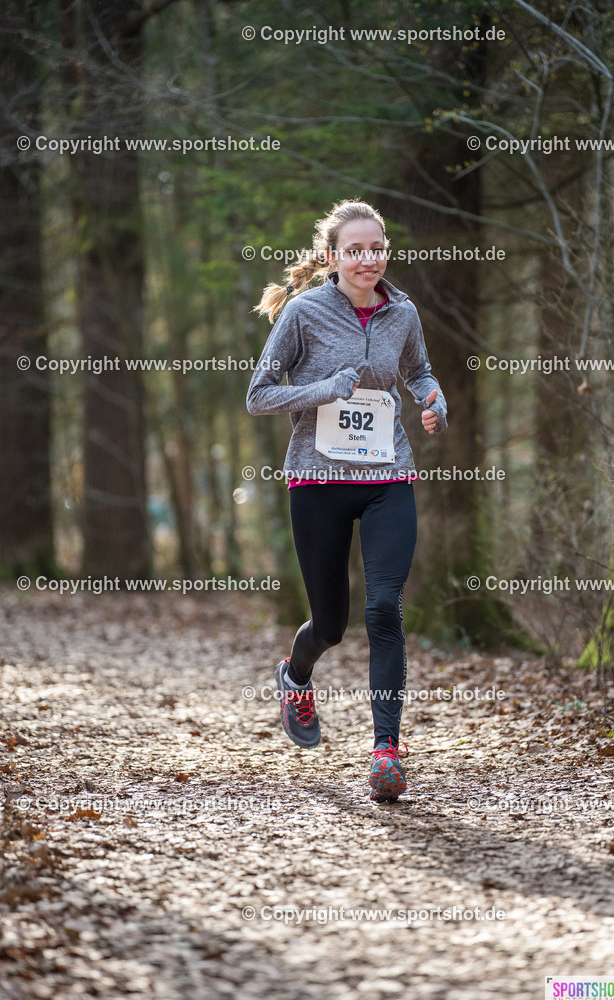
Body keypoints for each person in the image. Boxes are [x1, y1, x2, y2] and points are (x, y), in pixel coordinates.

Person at [246, 198, 447, 802]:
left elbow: (418, 371)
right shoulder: (303, 312)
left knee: (384, 609)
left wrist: (433, 399)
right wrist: (323, 389)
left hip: (388, 475)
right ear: (332, 257)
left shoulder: (402, 312)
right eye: (355, 250)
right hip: (318, 480)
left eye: (376, 248)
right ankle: (296, 676)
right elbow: (258, 395)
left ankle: (386, 751)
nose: (368, 259)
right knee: (331, 625)